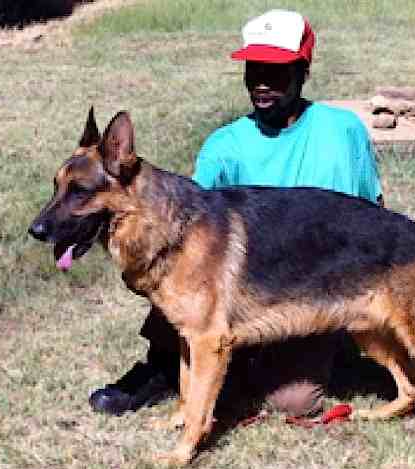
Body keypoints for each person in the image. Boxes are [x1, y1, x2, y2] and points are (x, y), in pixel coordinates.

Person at [89, 9, 383, 418]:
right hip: (246, 283)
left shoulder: (343, 130)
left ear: (304, 70)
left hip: (316, 286)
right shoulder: (224, 144)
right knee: (185, 277)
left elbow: (374, 214)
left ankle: (330, 354)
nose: (262, 81)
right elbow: (185, 233)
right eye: (254, 68)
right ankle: (161, 367)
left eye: (276, 71)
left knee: (293, 402)